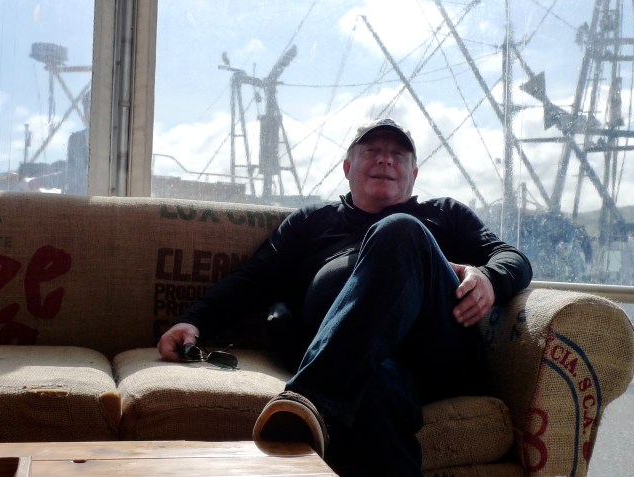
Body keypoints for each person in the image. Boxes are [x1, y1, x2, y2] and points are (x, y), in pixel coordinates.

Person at [157, 118, 532, 476]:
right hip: (371, 369)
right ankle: (331, 397)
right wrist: (194, 320)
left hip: (436, 353)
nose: (385, 159)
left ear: (414, 174)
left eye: (398, 155)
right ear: (347, 167)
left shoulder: (444, 215)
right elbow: (253, 280)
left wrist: (489, 277)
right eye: (372, 151)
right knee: (374, 390)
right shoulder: (311, 222)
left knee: (401, 230)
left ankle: (309, 399)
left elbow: (511, 257)